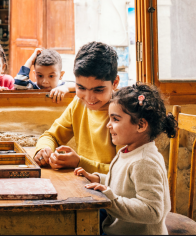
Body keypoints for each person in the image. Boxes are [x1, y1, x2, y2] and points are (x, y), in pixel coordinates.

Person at [74, 83, 177, 235]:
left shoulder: (144, 161)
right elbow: (124, 186)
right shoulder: (130, 151)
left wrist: (112, 200)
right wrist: (98, 179)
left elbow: (152, 211)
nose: (108, 125)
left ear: (141, 125)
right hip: (118, 224)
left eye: (115, 119)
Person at [33, 42, 119, 173]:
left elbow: (124, 172)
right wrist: (44, 150)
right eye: (81, 88)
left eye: (98, 90)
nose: (89, 98)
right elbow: (51, 136)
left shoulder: (125, 113)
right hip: (83, 184)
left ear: (115, 83)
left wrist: (79, 163)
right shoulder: (78, 103)